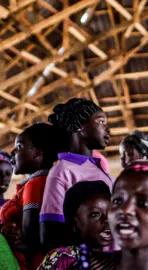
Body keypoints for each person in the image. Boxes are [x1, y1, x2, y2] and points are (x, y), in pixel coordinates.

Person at [41, 98, 113, 251]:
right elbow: (50, 232)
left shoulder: (99, 168)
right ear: (81, 126)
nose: (108, 129)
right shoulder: (62, 172)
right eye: (101, 122)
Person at [0, 124, 66, 270]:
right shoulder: (45, 180)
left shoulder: (36, 183)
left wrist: (8, 237)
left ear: (37, 152)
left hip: (30, 264)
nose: (13, 152)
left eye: (19, 146)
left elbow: (30, 238)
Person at [38, 180, 114, 269]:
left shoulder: (111, 259)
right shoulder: (63, 256)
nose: (106, 220)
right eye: (95, 214)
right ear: (73, 223)